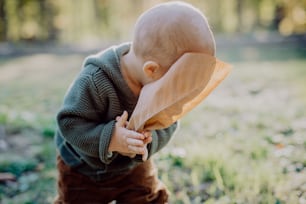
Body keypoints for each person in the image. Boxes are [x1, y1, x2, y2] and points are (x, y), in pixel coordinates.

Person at [54, 1, 216, 203]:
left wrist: (146, 142)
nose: (178, 92)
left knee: (145, 197)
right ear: (151, 70)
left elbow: (169, 122)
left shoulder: (160, 82)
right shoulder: (95, 80)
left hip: (133, 167)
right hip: (83, 168)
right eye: (176, 82)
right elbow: (69, 123)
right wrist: (111, 138)